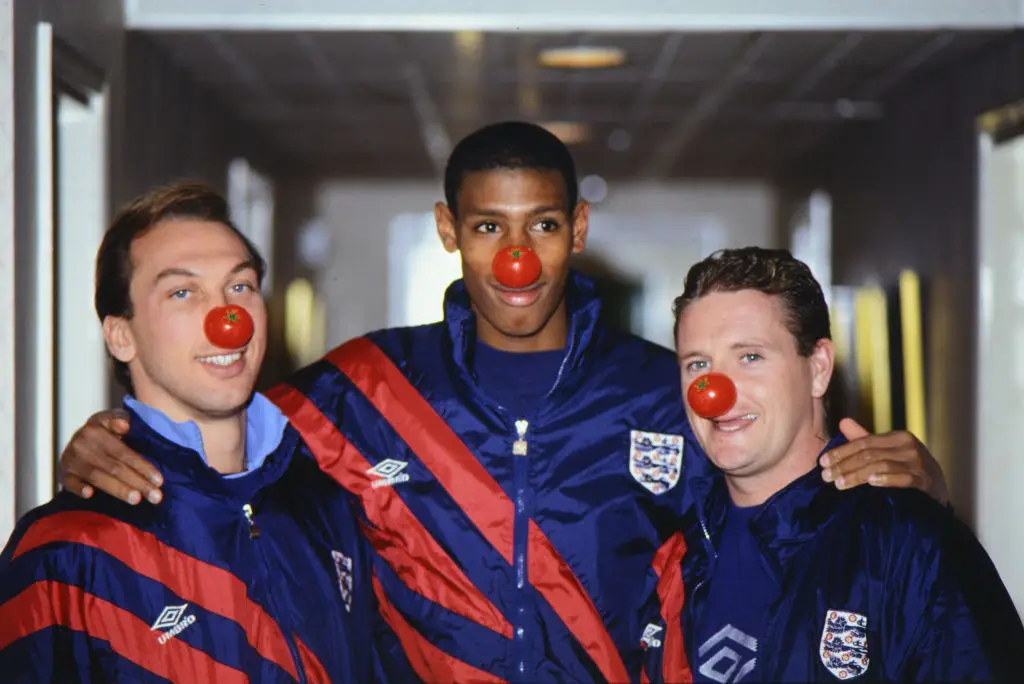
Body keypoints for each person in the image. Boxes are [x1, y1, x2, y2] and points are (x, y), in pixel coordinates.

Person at [56, 123, 946, 683]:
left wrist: (905, 489)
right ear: (450, 233)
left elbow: (773, 504)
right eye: (488, 228)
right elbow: (220, 432)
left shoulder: (663, 386)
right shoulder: (360, 387)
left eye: (543, 227)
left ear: (577, 233)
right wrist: (109, 433)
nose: (516, 259)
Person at [0, 183, 382, 682]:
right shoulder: (68, 550)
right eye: (183, 292)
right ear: (120, 336)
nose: (228, 320)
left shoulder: (328, 502)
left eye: (240, 287)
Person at [674, 247, 1023, 682]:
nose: (716, 392)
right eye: (698, 365)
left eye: (750, 357)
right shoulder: (671, 543)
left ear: (818, 368)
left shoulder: (907, 542)